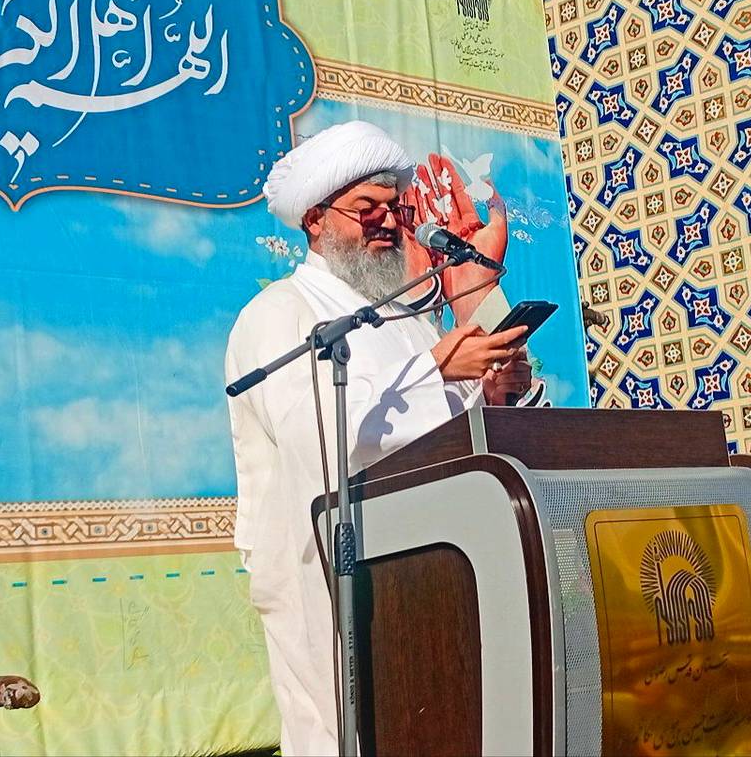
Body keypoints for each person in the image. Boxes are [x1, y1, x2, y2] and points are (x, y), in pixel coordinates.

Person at [224, 120, 531, 755]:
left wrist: (491, 382)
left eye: (396, 208)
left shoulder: (405, 319)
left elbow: (444, 434)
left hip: (428, 564)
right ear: (316, 219)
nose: (388, 221)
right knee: (341, 735)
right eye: (368, 208)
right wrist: (437, 370)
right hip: (326, 574)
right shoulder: (280, 313)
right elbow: (318, 437)